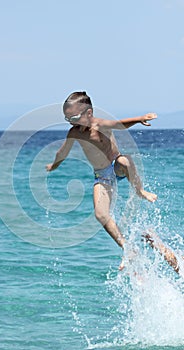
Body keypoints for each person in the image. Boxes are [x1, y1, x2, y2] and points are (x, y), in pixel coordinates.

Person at [46, 91, 157, 268]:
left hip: (116, 165)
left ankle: (140, 190)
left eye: (74, 117)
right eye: (67, 119)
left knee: (124, 160)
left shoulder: (100, 125)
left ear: (88, 113)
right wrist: (54, 165)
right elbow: (63, 152)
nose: (71, 122)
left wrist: (139, 118)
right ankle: (128, 248)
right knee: (100, 214)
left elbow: (119, 124)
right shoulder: (74, 133)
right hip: (102, 175)